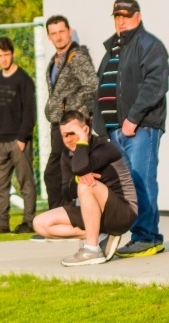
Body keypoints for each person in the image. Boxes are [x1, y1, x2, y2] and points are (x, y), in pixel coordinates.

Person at [93, 0, 169, 258]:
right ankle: (137, 235)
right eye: (117, 16)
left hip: (141, 129)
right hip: (115, 132)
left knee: (141, 180)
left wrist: (133, 118)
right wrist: (101, 128)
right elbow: (101, 89)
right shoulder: (113, 48)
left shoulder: (149, 45)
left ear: (138, 16)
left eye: (126, 15)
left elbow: (156, 85)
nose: (121, 20)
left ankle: (148, 237)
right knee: (125, 187)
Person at [33, 110, 137, 266]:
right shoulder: (66, 154)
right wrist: (77, 177)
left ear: (85, 130)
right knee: (40, 223)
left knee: (85, 185)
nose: (68, 140)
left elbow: (80, 167)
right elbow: (67, 192)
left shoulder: (104, 147)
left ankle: (92, 249)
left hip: (123, 212)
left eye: (72, 133)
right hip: (93, 213)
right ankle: (100, 235)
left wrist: (82, 141)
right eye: (64, 135)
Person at [0, 37, 37, 236]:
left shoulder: (24, 80)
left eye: (6, 55)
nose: (3, 59)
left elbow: (30, 111)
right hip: (0, 141)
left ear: (13, 54)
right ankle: (2, 224)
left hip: (19, 141)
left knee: (25, 183)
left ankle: (28, 222)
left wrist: (23, 137)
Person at [40, 16, 98, 212]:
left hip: (70, 124)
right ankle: (63, 217)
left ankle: (62, 217)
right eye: (54, 33)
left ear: (69, 31)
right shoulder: (54, 61)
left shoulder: (76, 57)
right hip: (57, 124)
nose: (58, 37)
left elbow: (92, 85)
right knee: (60, 172)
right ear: (48, 36)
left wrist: (71, 110)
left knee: (54, 173)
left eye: (61, 32)